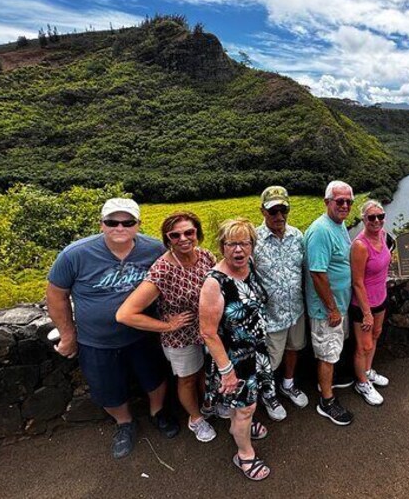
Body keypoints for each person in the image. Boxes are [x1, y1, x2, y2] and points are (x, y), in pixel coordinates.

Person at [46, 198, 178, 459]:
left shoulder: (155, 249)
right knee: (106, 386)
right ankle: (124, 423)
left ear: (138, 224)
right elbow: (55, 294)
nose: (120, 227)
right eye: (112, 222)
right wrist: (68, 334)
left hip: (144, 333)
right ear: (101, 224)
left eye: (127, 222)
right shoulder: (75, 254)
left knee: (155, 377)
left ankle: (157, 412)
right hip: (96, 339)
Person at [116, 211, 217, 442]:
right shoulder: (163, 269)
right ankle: (196, 419)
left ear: (197, 233)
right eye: (175, 235)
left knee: (203, 371)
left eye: (189, 232)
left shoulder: (205, 256)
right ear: (167, 239)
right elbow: (125, 314)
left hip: (206, 330)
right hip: (180, 337)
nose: (183, 239)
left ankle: (207, 405)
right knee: (187, 379)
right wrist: (167, 326)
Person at [199, 218, 274, 481]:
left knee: (245, 406)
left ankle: (239, 423)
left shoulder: (248, 266)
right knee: (245, 407)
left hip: (254, 352)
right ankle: (244, 453)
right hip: (232, 358)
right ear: (221, 246)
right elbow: (207, 332)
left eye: (244, 243)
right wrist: (227, 371)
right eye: (232, 244)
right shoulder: (214, 282)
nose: (239, 250)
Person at [254, 186, 309, 421]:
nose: (279, 216)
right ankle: (269, 394)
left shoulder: (298, 236)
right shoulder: (254, 240)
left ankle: (288, 384)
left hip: (295, 310)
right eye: (273, 211)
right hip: (271, 315)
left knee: (294, 348)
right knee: (269, 360)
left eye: (283, 210)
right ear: (263, 211)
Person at [304, 180, 356, 425]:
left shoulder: (339, 224)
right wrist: (332, 309)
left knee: (333, 350)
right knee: (326, 354)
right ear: (327, 202)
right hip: (326, 309)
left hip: (339, 305)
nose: (344, 205)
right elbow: (317, 273)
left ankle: (332, 380)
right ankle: (327, 401)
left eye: (348, 201)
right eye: (339, 201)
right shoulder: (321, 231)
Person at [349, 200, 391, 406]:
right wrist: (366, 312)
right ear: (363, 219)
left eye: (380, 216)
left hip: (380, 298)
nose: (376, 221)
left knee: (375, 335)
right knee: (363, 346)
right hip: (363, 304)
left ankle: (368, 371)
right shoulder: (360, 245)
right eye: (371, 217)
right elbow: (357, 282)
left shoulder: (383, 236)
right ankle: (362, 383)